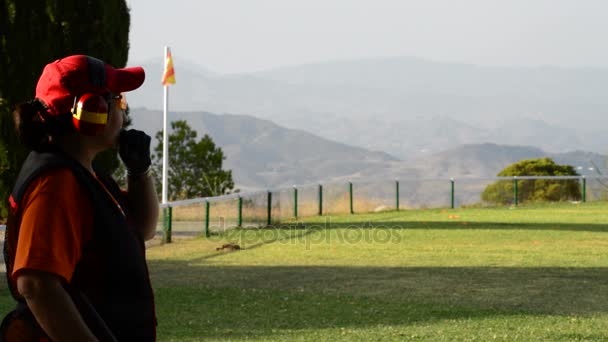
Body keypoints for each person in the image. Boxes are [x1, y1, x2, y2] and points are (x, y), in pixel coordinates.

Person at [1, 55, 159, 341]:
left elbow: (141, 228)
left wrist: (139, 172)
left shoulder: (84, 174)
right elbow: (36, 284)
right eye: (119, 100)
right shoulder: (56, 186)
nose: (124, 111)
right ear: (92, 110)